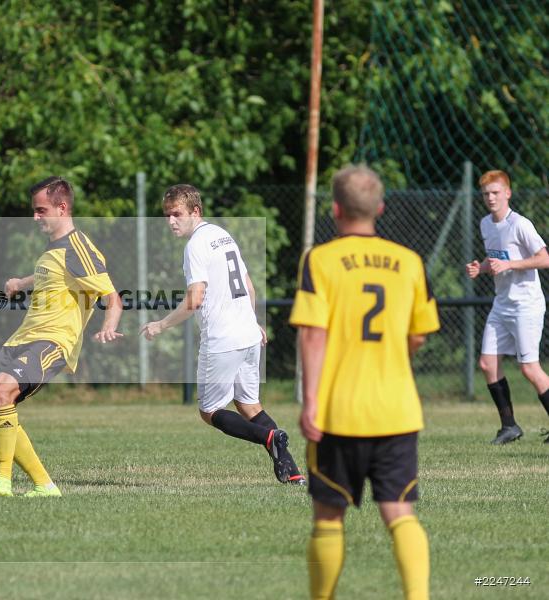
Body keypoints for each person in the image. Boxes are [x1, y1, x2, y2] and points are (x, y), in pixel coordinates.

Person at [290, 165, 440, 600]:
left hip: (340, 412)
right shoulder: (409, 261)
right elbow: (418, 333)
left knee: (329, 516)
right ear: (380, 208)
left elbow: (313, 333)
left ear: (334, 209)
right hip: (397, 410)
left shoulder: (319, 260)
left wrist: (310, 401)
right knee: (400, 513)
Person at [140, 184, 306, 485]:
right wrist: (253, 321)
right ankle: (291, 469)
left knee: (210, 410)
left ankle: (271, 436)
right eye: (166, 215)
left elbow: (195, 299)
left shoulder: (195, 246)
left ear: (195, 211)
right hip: (248, 335)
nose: (170, 221)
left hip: (223, 340)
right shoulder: (222, 235)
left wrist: (160, 325)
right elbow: (248, 285)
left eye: (177, 214)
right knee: (249, 405)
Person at [0, 176, 123, 497]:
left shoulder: (79, 247)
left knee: (3, 390)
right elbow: (54, 273)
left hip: (53, 341)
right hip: (23, 337)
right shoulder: (54, 249)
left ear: (62, 209)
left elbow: (113, 297)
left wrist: (108, 325)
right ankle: (45, 486)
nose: (35, 217)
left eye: (40, 210)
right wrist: (21, 282)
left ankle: (2, 483)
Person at [465, 169, 549, 445]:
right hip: (502, 304)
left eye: (496, 193)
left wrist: (510, 264)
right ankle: (509, 427)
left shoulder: (520, 224)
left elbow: (544, 259)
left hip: (526, 304)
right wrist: (482, 267)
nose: (490, 198)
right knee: (487, 364)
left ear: (508, 193)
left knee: (529, 369)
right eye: (486, 194)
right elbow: (497, 260)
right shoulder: (486, 224)